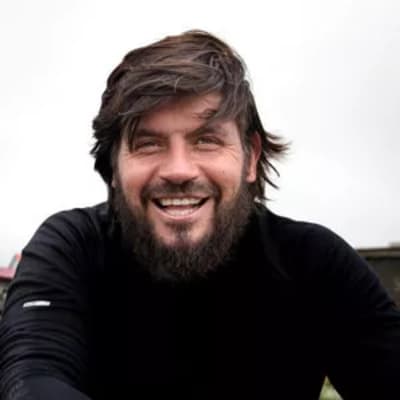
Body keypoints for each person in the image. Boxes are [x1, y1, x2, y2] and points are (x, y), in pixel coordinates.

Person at [0, 30, 399, 400]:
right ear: (115, 167)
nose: (179, 170)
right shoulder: (71, 248)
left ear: (251, 158)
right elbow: (33, 380)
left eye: (206, 140)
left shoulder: (313, 261)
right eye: (148, 143)